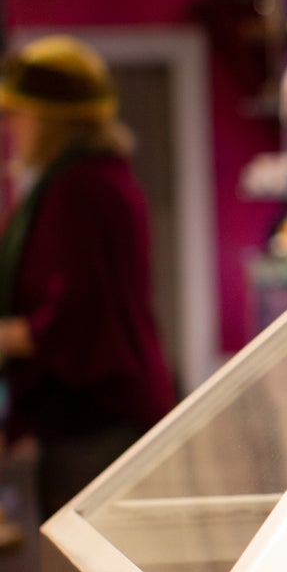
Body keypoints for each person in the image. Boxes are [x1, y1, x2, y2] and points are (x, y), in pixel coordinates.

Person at [0, 37, 175, 519]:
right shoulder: (96, 179)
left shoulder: (78, 188)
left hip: (96, 422)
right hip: (101, 414)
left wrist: (10, 337)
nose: (10, 128)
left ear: (49, 119)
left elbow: (77, 317)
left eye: (17, 114)